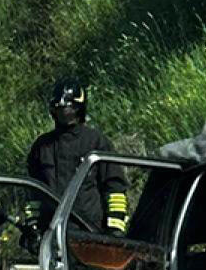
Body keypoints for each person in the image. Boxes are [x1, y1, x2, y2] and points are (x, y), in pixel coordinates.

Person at [25, 78, 129, 234]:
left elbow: (114, 187)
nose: (65, 112)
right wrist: (33, 226)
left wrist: (115, 227)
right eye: (59, 108)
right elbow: (32, 193)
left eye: (70, 108)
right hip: (52, 232)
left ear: (80, 109)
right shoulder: (42, 146)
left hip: (90, 231)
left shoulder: (96, 142)